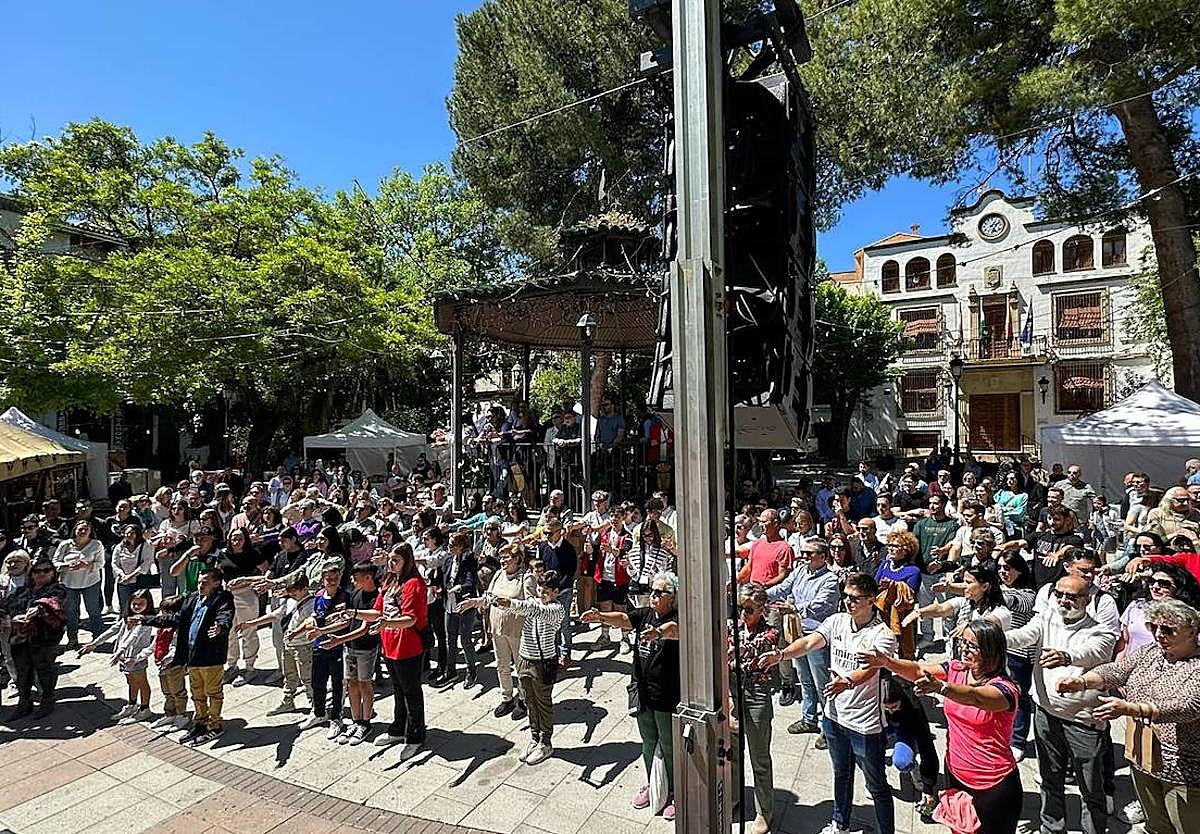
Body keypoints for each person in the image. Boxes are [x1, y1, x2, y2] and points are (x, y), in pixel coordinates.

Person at [761, 572, 899, 834]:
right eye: (846, 596)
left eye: (855, 598)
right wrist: (781, 655)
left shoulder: (882, 634)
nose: (848, 602)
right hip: (834, 718)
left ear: (871, 600)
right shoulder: (837, 621)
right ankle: (840, 824)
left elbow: (870, 670)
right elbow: (810, 642)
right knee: (841, 774)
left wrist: (846, 681)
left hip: (865, 724)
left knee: (876, 785)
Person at [860, 619, 1023, 834]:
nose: (964, 649)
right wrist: (886, 662)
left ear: (991, 650)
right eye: (962, 642)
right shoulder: (956, 669)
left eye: (972, 645)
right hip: (956, 774)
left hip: (993, 786)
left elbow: (975, 697)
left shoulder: (1006, 689)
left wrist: (942, 688)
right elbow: (918, 670)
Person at [1058, 598, 1200, 834]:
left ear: (1192, 632)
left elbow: (1188, 707)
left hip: (1184, 771)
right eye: (1153, 627)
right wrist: (1082, 681)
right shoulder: (1150, 652)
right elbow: (1116, 671)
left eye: (1168, 630)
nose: (1159, 634)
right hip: (1143, 757)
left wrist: (1130, 708)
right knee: (1156, 826)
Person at [1005, 573, 1118, 834]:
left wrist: (1066, 657)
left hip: (1084, 723)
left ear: (1087, 599)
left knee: (1091, 787)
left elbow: (1094, 652)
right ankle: (1051, 828)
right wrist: (994, 637)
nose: (1064, 600)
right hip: (1045, 714)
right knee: (1050, 779)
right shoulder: (1046, 618)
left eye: (1072, 596)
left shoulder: (1100, 631)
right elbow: (1023, 635)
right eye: (1059, 594)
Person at [583, 570, 681, 821]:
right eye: (652, 591)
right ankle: (653, 784)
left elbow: (674, 630)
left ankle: (674, 792)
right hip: (641, 691)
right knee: (648, 741)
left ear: (672, 597)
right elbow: (625, 619)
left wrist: (658, 633)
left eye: (659, 592)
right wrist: (600, 616)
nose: (653, 595)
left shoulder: (676, 618)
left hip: (665, 694)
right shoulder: (646, 614)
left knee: (669, 745)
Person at [138, 567, 234, 745]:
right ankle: (200, 723)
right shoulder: (193, 598)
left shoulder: (223, 598)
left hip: (211, 656)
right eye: (199, 582)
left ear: (216, 583)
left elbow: (225, 615)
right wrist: (145, 620)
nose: (200, 585)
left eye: (205, 582)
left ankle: (215, 726)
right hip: (192, 654)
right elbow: (175, 618)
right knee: (197, 692)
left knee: (213, 692)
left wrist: (220, 627)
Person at [358, 543, 428, 761]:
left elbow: (410, 619)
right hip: (389, 644)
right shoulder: (390, 581)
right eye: (390, 559)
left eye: (396, 560)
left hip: (408, 645)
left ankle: (415, 735)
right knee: (398, 689)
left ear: (407, 561)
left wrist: (386, 622)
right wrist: (353, 613)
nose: (391, 563)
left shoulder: (414, 583)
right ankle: (398, 727)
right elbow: (377, 611)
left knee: (411, 691)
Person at [767, 538, 838, 737]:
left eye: (809, 553)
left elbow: (821, 604)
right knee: (805, 679)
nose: (804, 556)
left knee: (822, 683)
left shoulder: (830, 580)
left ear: (822, 557)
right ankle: (809, 719)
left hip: (817, 637)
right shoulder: (799, 571)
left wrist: (794, 607)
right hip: (798, 633)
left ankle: (829, 729)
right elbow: (783, 588)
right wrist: (763, 595)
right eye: (803, 552)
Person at [727, 583, 780, 834]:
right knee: (732, 750)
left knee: (759, 757)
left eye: (748, 609)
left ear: (761, 609)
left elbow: (759, 646)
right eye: (740, 608)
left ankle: (764, 810)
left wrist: (740, 649)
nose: (743, 614)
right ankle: (734, 796)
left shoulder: (771, 632)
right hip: (733, 691)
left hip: (757, 694)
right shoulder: (732, 627)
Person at [498, 568, 566, 766]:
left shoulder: (556, 609)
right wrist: (481, 601)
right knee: (529, 701)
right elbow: (526, 607)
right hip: (524, 659)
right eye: (539, 589)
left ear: (556, 592)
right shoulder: (534, 602)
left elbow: (533, 610)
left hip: (543, 663)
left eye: (546, 591)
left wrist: (510, 603)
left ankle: (546, 743)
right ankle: (534, 738)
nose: (541, 594)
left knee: (543, 703)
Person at [318, 563, 380, 745]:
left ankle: (366, 723)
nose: (352, 581)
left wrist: (339, 640)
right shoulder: (355, 594)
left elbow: (364, 628)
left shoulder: (376, 598)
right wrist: (326, 628)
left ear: (367, 577)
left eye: (356, 578)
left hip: (366, 648)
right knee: (352, 684)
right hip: (350, 648)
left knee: (364, 684)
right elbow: (348, 620)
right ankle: (356, 720)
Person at [81, 588, 158, 723]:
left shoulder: (145, 621)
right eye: (134, 603)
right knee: (131, 681)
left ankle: (145, 708)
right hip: (123, 658)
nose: (137, 606)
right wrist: (95, 643)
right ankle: (132, 704)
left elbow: (134, 637)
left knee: (141, 682)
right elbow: (112, 631)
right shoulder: (127, 619)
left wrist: (119, 651)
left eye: (141, 604)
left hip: (136, 658)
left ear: (148, 604)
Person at [4, 557, 67, 721]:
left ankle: (47, 701)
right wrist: (13, 617)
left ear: (53, 573)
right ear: (31, 574)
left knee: (44, 669)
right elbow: (5, 606)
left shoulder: (58, 588)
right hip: (20, 636)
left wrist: (39, 609)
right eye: (37, 571)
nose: (41, 574)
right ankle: (24, 703)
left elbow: (54, 602)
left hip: (45, 637)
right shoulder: (22, 590)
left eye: (46, 570)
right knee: (22, 671)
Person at [296, 561, 352, 740]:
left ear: (339, 578)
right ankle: (319, 713)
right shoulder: (319, 596)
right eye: (328, 579)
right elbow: (313, 618)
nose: (332, 582)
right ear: (322, 580)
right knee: (317, 682)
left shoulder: (346, 596)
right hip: (319, 646)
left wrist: (322, 630)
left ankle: (336, 718)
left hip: (337, 646)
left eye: (335, 578)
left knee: (337, 685)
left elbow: (345, 622)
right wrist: (296, 632)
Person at [484, 544, 535, 719]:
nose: (502, 561)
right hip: (497, 629)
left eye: (506, 557)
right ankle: (506, 697)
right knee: (502, 664)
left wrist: (510, 603)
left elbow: (531, 605)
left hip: (517, 631)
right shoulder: (499, 574)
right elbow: (489, 596)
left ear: (517, 559)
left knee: (521, 667)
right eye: (501, 557)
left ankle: (523, 699)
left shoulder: (526, 578)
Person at [997, 552, 1037, 759]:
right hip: (998, 652)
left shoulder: (1028, 594)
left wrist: (984, 590)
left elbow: (1012, 602)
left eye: (1007, 568)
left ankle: (1018, 741)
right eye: (1000, 567)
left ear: (1019, 570)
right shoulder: (998, 588)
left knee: (1019, 698)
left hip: (1019, 655)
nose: (1003, 571)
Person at [883, 676, 940, 823]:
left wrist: (928, 788)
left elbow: (927, 748)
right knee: (867, 750)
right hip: (881, 726)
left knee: (901, 761)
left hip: (905, 727)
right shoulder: (876, 699)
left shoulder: (914, 708)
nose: (890, 711)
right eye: (887, 708)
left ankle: (913, 767)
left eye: (894, 707)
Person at [437, 531, 479, 688]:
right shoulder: (448, 560)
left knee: (465, 639)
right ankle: (450, 671)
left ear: (461, 546)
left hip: (464, 603)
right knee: (450, 639)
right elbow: (443, 578)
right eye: (449, 545)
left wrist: (459, 587)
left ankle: (471, 671)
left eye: (453, 546)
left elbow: (470, 581)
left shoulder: (469, 561)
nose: (450, 548)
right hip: (449, 603)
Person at [536, 519, 577, 666]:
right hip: (548, 591)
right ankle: (552, 651)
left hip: (563, 591)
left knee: (563, 622)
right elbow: (541, 567)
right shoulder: (543, 546)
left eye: (550, 532)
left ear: (559, 532)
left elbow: (570, 572)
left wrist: (557, 589)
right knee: (550, 622)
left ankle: (565, 653)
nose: (547, 535)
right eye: (545, 532)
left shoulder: (568, 549)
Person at [148, 595, 190, 733]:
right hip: (162, 665)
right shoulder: (162, 627)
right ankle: (170, 713)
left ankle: (182, 715)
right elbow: (155, 644)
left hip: (174, 664)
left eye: (165, 612)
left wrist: (167, 659)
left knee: (177, 691)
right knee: (167, 690)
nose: (162, 615)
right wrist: (140, 656)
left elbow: (176, 647)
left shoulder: (178, 629)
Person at [0, 549, 32, 698]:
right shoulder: (2, 580)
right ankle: (17, 682)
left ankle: (37, 683)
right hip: (6, 625)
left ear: (26, 563)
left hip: (29, 625)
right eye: (9, 562)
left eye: (17, 561)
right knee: (9, 657)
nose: (12, 564)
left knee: (31, 656)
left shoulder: (33, 578)